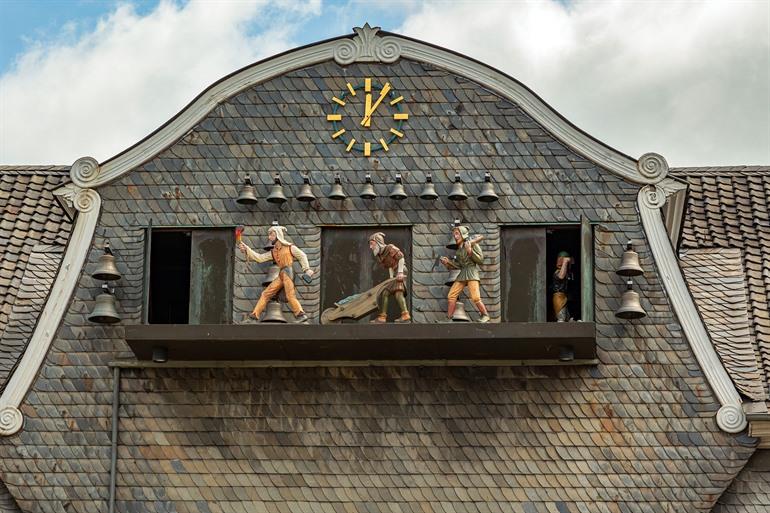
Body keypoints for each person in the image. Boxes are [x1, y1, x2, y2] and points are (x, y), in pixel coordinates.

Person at [238, 225, 313, 323]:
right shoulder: (274, 252)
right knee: (266, 293)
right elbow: (260, 258)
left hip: (288, 273)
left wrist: (306, 269)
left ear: (278, 235)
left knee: (290, 295)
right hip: (281, 275)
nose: (269, 237)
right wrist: (247, 249)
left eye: (272, 235)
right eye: (269, 235)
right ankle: (254, 317)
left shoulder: (290, 247)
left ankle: (300, 315)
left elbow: (302, 256)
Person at [440, 225, 490, 323]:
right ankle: (449, 318)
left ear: (463, 234)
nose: (455, 236)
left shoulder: (472, 244)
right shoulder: (459, 251)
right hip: (463, 274)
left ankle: (485, 315)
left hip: (471, 272)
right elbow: (458, 266)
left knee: (475, 297)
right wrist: (448, 262)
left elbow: (480, 260)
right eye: (454, 234)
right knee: (451, 295)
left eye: (457, 233)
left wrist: (470, 251)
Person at [368, 232, 410, 323]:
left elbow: (401, 258)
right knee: (392, 292)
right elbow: (390, 265)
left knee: (390, 293)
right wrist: (391, 277)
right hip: (395, 272)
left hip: (401, 270)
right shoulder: (381, 255)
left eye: (372, 244)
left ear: (378, 242)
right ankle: (404, 315)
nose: (371, 247)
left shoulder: (390, 248)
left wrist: (400, 272)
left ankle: (384, 317)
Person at [552, 251, 571, 322]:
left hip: (564, 297)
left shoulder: (567, 273)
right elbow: (561, 276)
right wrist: (565, 262)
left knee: (567, 318)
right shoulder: (557, 272)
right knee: (561, 318)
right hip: (558, 297)